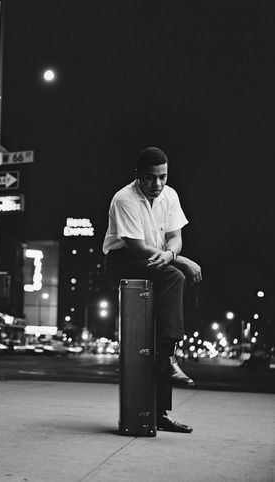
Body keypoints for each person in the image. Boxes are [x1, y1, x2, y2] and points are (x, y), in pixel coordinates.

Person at [103, 146, 202, 434]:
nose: (157, 184)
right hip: (123, 261)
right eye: (150, 178)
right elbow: (136, 249)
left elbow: (175, 238)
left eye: (162, 177)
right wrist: (177, 259)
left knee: (158, 334)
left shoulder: (169, 195)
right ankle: (169, 358)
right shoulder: (125, 199)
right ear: (138, 176)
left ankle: (159, 411)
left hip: (157, 260)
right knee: (174, 277)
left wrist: (172, 254)